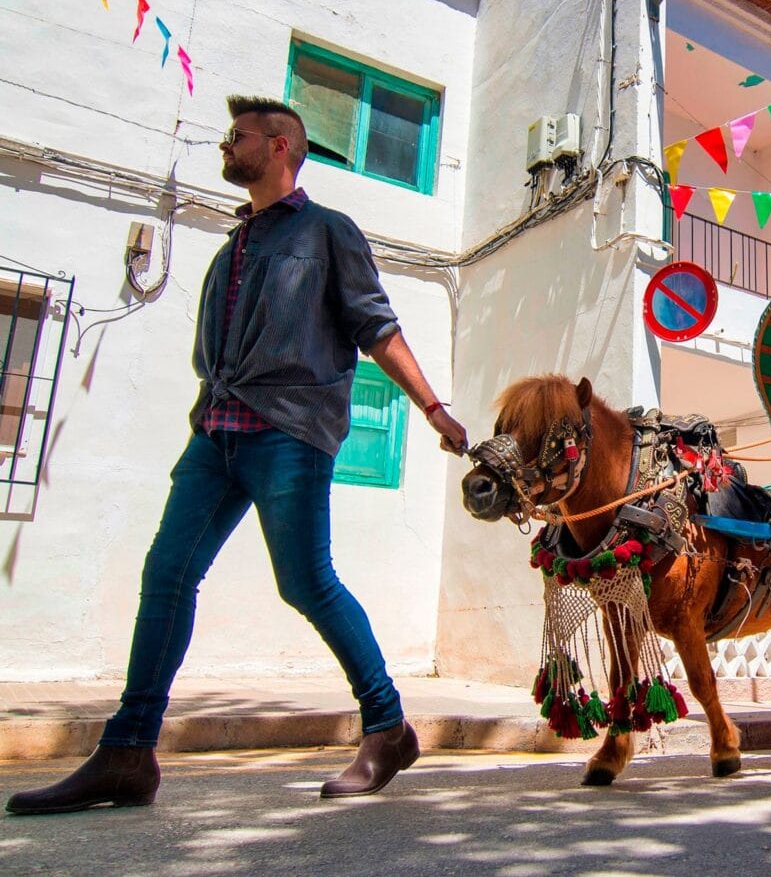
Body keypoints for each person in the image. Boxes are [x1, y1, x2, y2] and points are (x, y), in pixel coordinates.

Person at [6, 97, 468, 816]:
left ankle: (387, 725)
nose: (226, 146)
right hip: (215, 433)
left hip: (288, 431)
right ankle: (128, 751)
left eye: (239, 137)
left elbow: (376, 326)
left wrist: (434, 409)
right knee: (167, 574)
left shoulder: (327, 232)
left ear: (280, 147)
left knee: (306, 582)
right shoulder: (233, 247)